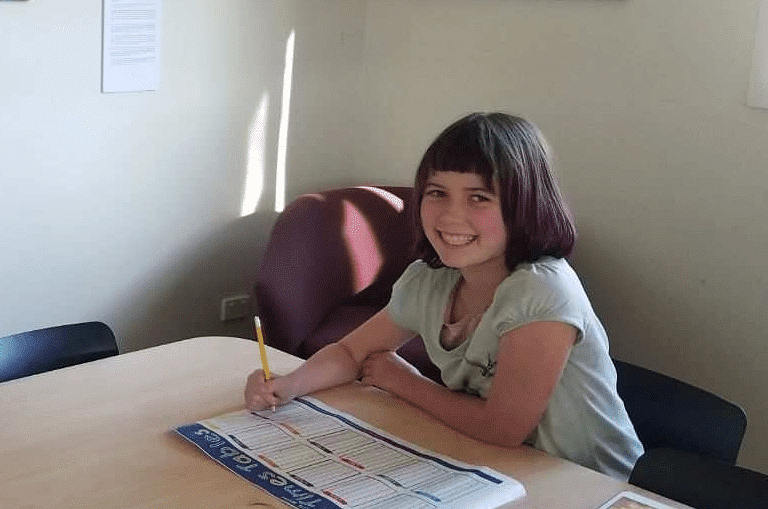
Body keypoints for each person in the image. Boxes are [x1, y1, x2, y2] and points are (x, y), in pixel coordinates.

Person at [244, 112, 642, 479]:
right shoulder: (429, 280)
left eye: (479, 197)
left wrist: (404, 381)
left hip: (587, 481)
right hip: (500, 465)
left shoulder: (542, 290)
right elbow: (351, 353)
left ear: (524, 206)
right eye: (437, 193)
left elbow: (502, 428)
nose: (451, 215)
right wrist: (287, 385)